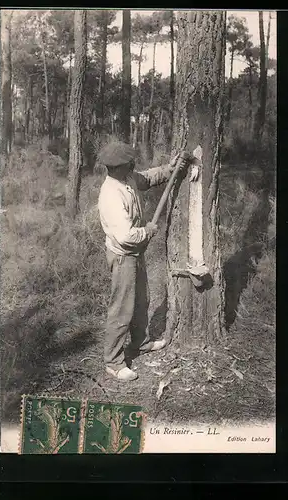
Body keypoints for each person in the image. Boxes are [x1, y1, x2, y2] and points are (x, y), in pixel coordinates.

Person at [97, 141, 190, 381]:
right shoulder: (111, 195)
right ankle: (114, 362)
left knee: (141, 301)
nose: (133, 164)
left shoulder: (127, 179)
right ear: (116, 167)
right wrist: (148, 231)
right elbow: (126, 236)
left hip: (135, 253)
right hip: (123, 256)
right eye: (129, 162)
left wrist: (170, 169)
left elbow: (147, 178)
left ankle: (140, 342)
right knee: (122, 309)